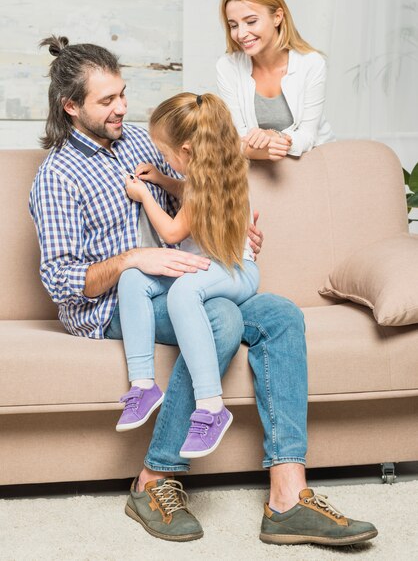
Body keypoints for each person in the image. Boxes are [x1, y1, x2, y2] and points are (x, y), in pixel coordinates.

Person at [29, 35, 377, 547]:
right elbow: (61, 281)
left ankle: (287, 496)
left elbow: (196, 192)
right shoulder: (56, 176)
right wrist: (133, 259)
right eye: (107, 101)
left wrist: (230, 231)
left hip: (182, 275)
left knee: (279, 313)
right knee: (221, 319)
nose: (122, 107)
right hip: (115, 303)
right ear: (71, 106)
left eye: (123, 93)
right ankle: (153, 480)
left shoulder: (142, 143)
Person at [115, 92, 259, 461]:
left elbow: (173, 233)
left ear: (186, 151)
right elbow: (190, 195)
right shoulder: (206, 171)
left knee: (183, 294)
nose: (165, 160)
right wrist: (164, 178)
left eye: (166, 155)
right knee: (132, 276)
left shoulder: (207, 182)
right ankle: (143, 385)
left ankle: (211, 406)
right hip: (204, 267)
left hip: (234, 270)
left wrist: (145, 194)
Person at [217, 0, 335, 161]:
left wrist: (276, 137)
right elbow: (238, 139)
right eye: (233, 25)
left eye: (251, 21)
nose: (241, 34)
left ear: (277, 17)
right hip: (260, 166)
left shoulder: (312, 63)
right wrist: (263, 146)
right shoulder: (228, 67)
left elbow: (307, 136)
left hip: (313, 162)